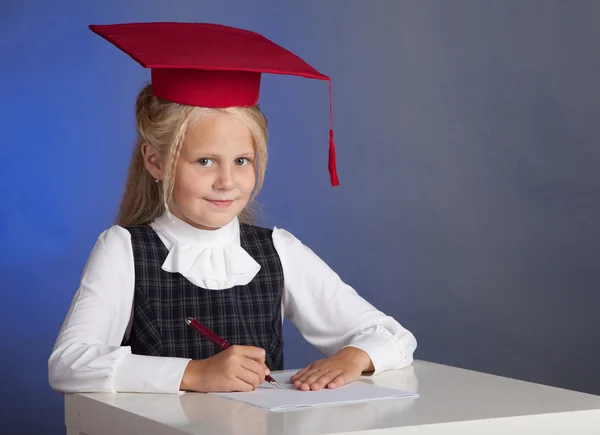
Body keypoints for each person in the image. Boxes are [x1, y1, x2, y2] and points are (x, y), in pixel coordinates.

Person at [48, 22, 416, 394]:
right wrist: (194, 373)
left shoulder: (277, 251)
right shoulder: (124, 250)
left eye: (242, 161)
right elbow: (68, 364)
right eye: (205, 161)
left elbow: (392, 336)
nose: (226, 181)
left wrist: (352, 357)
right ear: (155, 161)